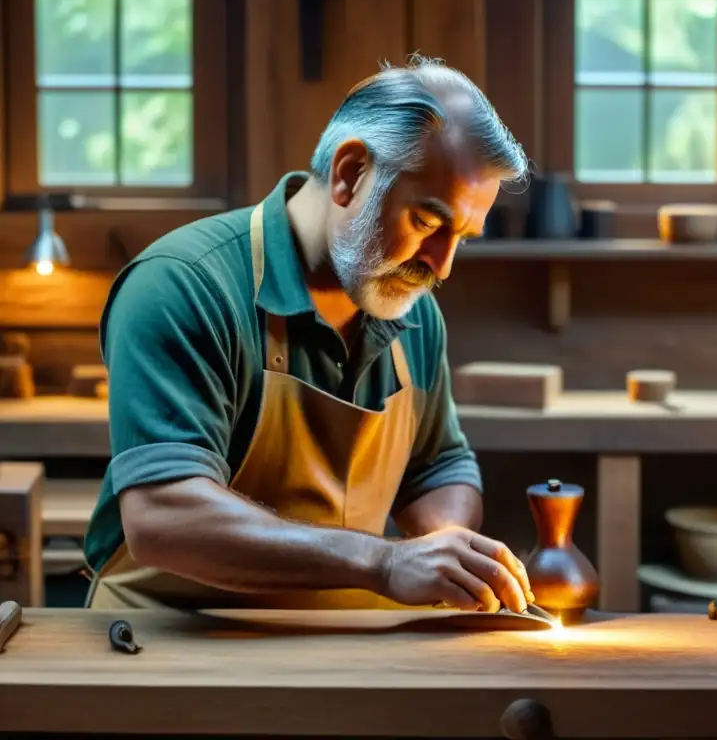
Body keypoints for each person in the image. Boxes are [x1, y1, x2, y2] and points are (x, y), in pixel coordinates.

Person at [82, 56, 536, 613]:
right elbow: (163, 517)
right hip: (169, 649)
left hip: (346, 652)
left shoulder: (409, 305)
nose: (441, 267)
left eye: (462, 237)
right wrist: (384, 562)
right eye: (427, 222)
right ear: (349, 174)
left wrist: (450, 551)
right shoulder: (184, 284)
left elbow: (438, 467)